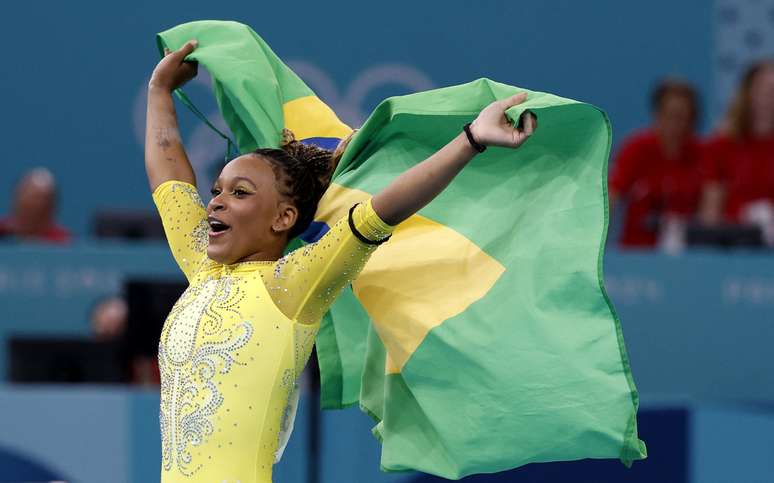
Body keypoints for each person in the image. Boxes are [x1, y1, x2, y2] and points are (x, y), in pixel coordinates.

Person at [147, 40, 536, 483]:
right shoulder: (202, 264)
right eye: (217, 190)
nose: (215, 202)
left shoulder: (291, 286)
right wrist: (159, 90)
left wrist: (470, 141)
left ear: (283, 217)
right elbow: (171, 175)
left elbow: (381, 211)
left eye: (240, 193)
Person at [608, 79, 703, 249]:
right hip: (638, 256)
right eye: (670, 115)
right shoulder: (636, 149)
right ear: (657, 114)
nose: (675, 124)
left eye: (683, 117)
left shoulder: (701, 155)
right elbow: (611, 198)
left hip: (688, 257)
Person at [699, 60, 774, 235]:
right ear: (748, 94)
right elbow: (710, 211)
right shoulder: (720, 146)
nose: (770, 99)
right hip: (734, 246)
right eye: (765, 91)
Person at [0, 168, 70, 243]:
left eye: (44, 199)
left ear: (52, 207)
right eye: (31, 197)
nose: (36, 205)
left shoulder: (63, 242)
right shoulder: (2, 231)